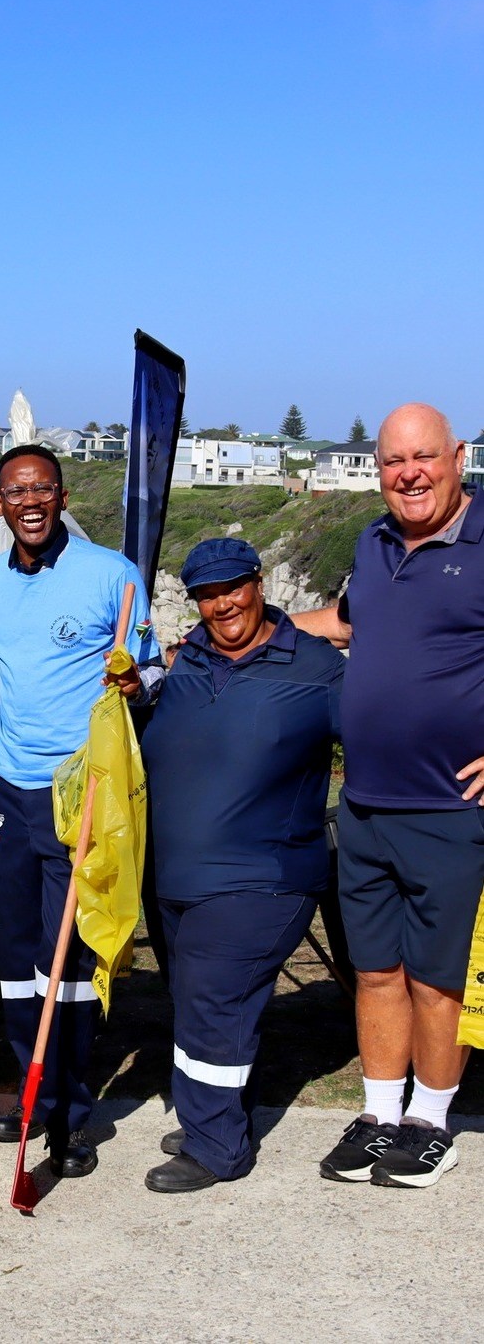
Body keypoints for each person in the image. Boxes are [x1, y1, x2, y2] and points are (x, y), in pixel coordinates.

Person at [294, 402, 484, 1189]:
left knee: (436, 977)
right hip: (365, 803)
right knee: (374, 968)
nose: (408, 474)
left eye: (423, 456)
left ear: (457, 456)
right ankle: (377, 1115)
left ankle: (429, 1124)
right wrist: (231, 632)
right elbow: (342, 622)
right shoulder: (372, 544)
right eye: (392, 461)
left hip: (449, 808)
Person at [0, 444, 161, 1177]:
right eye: (16, 492)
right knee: (18, 959)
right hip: (13, 789)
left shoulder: (112, 574)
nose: (31, 502)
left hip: (82, 791)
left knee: (67, 959)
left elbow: (150, 668)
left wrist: (135, 683)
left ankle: (71, 1114)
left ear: (62, 495)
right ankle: (33, 1091)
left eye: (42, 489)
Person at [139, 539, 344, 1192]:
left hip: (262, 878)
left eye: (232, 587)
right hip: (173, 877)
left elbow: (389, 732)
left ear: (258, 584)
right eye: (206, 594)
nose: (222, 604)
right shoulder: (186, 662)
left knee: (212, 1001)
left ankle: (216, 1147)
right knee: (197, 1003)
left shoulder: (317, 668)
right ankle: (211, 1114)